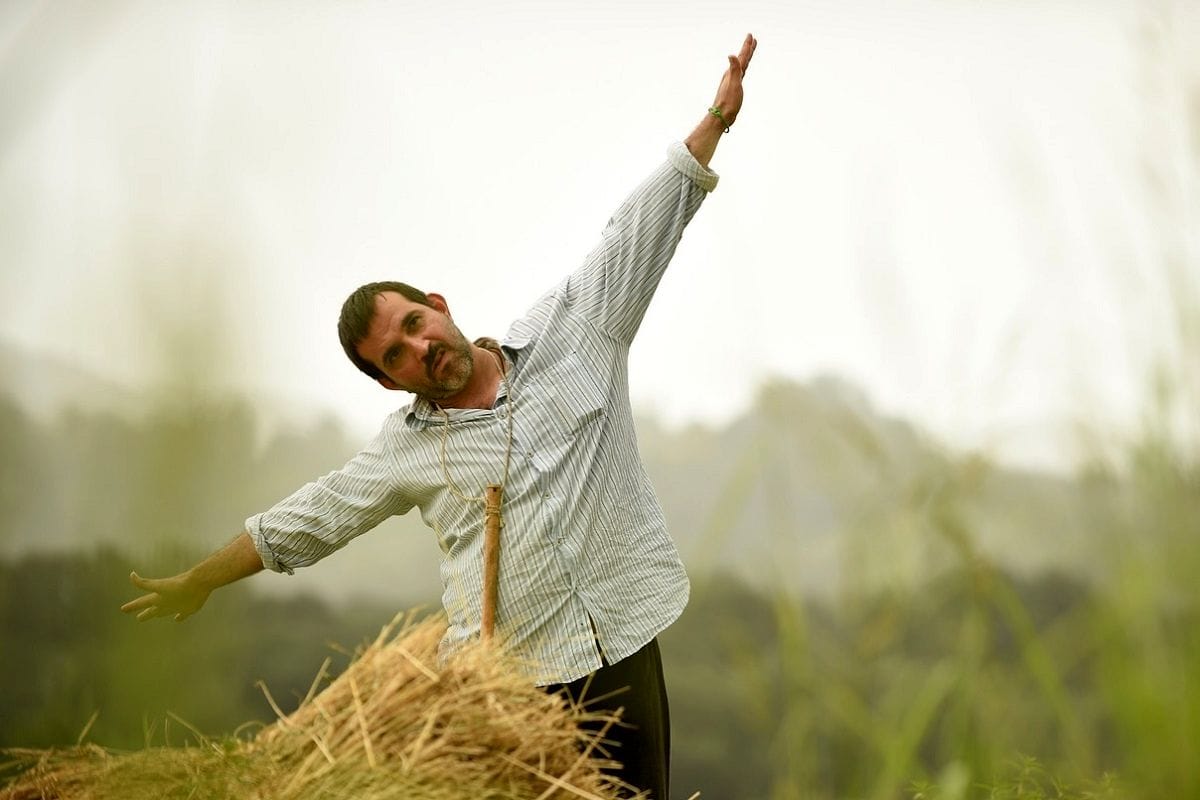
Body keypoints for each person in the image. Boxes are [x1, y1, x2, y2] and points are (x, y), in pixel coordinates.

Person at [122, 33, 757, 798]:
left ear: (439, 306)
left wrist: (715, 119)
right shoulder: (406, 451)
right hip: (510, 685)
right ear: (390, 382)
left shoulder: (574, 333)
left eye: (414, 326)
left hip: (620, 643)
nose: (417, 350)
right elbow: (307, 520)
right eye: (394, 356)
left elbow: (637, 231)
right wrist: (201, 578)